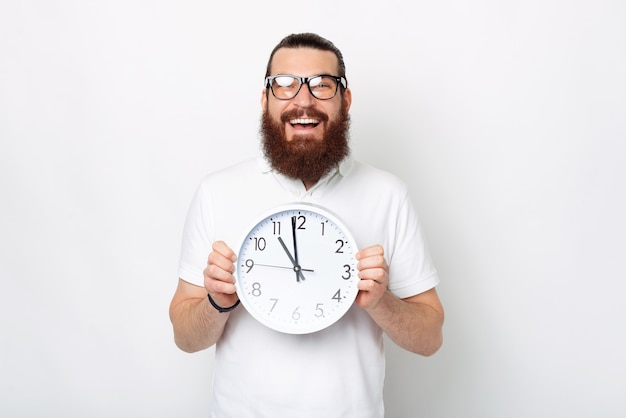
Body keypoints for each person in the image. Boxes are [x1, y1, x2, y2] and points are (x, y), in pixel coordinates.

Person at [169, 32, 444, 417]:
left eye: (322, 85)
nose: (303, 100)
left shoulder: (388, 194)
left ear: (344, 101)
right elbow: (185, 337)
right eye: (284, 85)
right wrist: (216, 303)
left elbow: (430, 338)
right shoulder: (217, 192)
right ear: (265, 100)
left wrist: (382, 303)